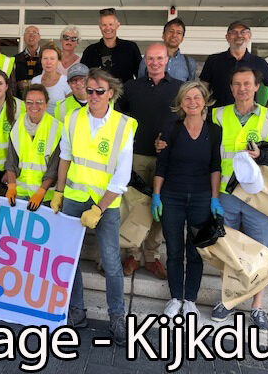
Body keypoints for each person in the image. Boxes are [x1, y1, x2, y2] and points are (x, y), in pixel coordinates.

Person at [51, 68, 137, 346]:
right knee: (70, 258)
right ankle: (76, 311)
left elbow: (122, 176)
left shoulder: (124, 125)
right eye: (89, 90)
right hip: (74, 198)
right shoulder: (73, 118)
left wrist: (99, 208)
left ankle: (117, 318)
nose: (94, 96)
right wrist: (59, 192)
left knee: (111, 262)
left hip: (105, 203)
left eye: (100, 91)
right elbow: (65, 157)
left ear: (111, 93)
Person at [210, 66, 268, 329]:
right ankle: (228, 300)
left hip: (259, 197)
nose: (242, 89)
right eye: (237, 84)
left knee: (263, 251)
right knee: (228, 250)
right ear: (231, 87)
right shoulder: (218, 115)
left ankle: (257, 306)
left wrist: (263, 155)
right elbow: (208, 151)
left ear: (257, 87)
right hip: (226, 194)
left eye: (247, 84)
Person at [153, 81, 222, 319]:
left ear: (205, 101)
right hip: (172, 197)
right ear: (181, 103)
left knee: (195, 252)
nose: (192, 102)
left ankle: (190, 299)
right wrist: (156, 195)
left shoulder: (214, 131)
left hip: (202, 198)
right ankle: (175, 298)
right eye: (187, 98)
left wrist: (215, 198)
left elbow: (215, 167)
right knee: (174, 250)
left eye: (197, 97)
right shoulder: (171, 128)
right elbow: (162, 165)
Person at [117, 43, 183, 280]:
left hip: (166, 159)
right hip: (136, 155)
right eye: (151, 58)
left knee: (158, 208)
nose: (155, 63)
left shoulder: (179, 88)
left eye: (159, 58)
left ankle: (152, 256)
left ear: (167, 60)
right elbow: (118, 116)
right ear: (145, 61)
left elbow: (186, 120)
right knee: (134, 205)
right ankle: (133, 254)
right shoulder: (131, 87)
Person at [5, 84, 62, 211]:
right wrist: (12, 186)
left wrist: (41, 192)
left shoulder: (57, 128)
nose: (34, 106)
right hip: (20, 193)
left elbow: (54, 167)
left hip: (45, 196)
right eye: (29, 102)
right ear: (25, 104)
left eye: (39, 102)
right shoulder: (16, 125)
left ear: (46, 104)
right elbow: (11, 161)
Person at [200, 21, 268, 108]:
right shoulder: (213, 60)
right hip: (218, 115)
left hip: (249, 115)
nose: (239, 35)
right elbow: (203, 90)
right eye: (234, 32)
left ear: (249, 36)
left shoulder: (259, 62)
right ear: (227, 37)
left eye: (243, 32)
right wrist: (202, 112)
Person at [82, 8, 142, 84]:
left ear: (117, 25)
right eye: (104, 25)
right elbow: (83, 77)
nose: (108, 28)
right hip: (98, 91)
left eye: (111, 24)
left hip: (125, 91)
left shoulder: (130, 48)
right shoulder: (90, 51)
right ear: (100, 27)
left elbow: (140, 75)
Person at [31, 41, 71, 116]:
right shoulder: (35, 81)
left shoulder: (66, 81)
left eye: (52, 58)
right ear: (41, 60)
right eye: (45, 58)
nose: (48, 62)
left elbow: (70, 109)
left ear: (58, 61)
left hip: (59, 122)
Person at [15, 25, 42, 98]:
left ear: (39, 37)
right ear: (24, 37)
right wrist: (18, 84)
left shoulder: (46, 57)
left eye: (34, 32)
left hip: (42, 96)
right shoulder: (16, 59)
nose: (31, 35)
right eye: (28, 33)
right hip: (21, 98)